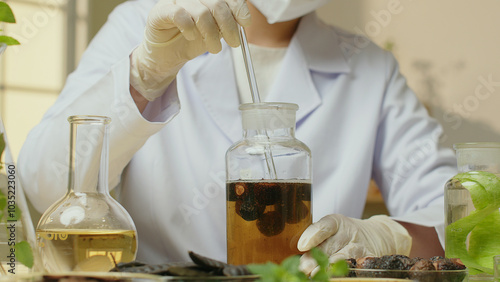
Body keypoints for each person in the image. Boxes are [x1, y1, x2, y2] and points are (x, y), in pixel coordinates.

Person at [19, 0, 456, 275]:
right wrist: (144, 73)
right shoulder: (143, 22)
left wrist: (387, 237)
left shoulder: (369, 66)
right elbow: (45, 185)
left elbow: (457, 219)